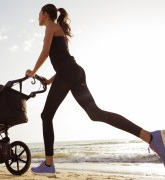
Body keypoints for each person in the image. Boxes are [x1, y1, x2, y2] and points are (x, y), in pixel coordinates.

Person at [25, 4, 165, 176]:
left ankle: (48, 164)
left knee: (46, 115)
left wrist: (33, 72)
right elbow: (65, 61)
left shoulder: (51, 27)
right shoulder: (58, 29)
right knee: (95, 114)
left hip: (68, 72)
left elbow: (45, 52)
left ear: (45, 14)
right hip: (75, 72)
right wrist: (50, 80)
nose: (38, 16)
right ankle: (151, 137)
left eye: (39, 13)